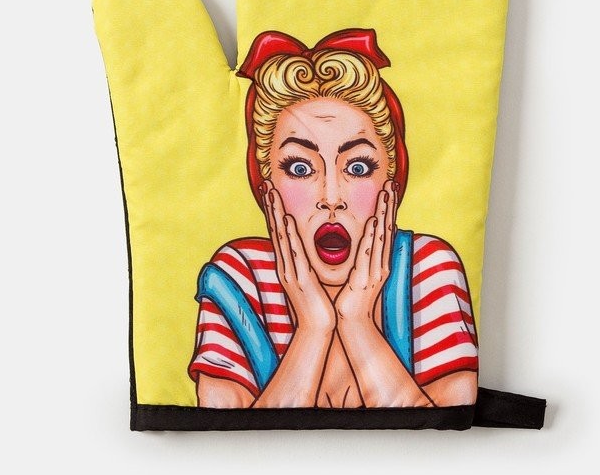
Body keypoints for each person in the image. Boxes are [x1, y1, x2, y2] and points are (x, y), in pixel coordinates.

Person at [188, 29, 478, 408]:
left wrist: (357, 321)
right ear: (265, 184)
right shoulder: (238, 278)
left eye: (357, 167)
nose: (331, 198)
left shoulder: (426, 268)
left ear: (392, 180)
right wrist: (313, 328)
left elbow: (448, 424)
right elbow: (225, 436)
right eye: (299, 167)